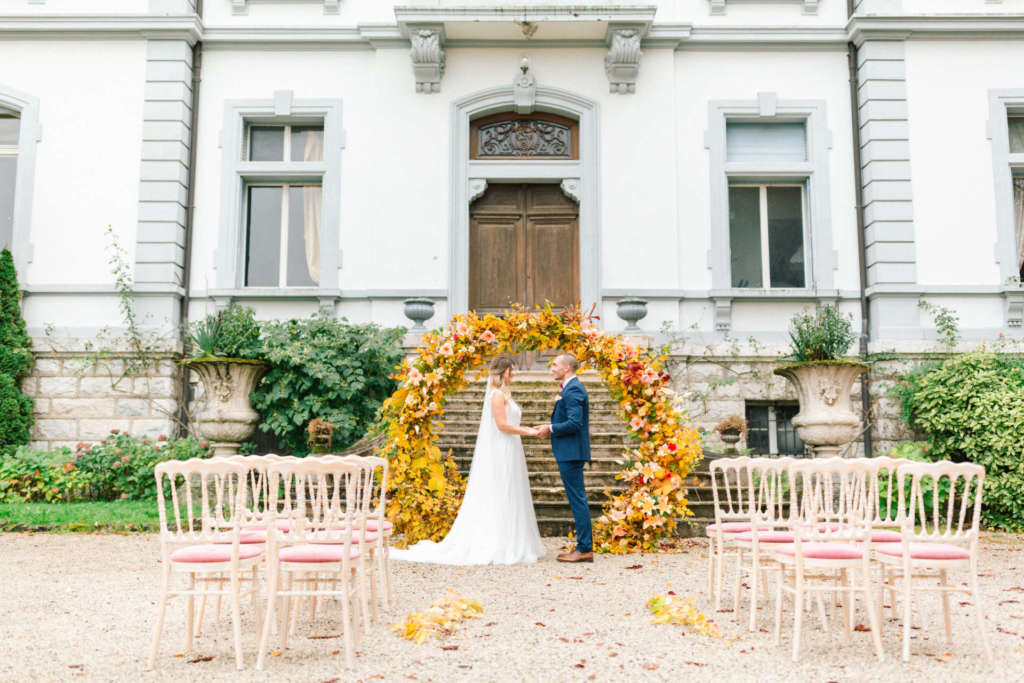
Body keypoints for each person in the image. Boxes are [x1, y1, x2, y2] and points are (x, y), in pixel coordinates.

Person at [390, 355, 546, 565]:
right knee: (501, 490)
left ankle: (511, 539)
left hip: (511, 447)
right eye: (511, 370)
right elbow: (502, 425)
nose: (514, 374)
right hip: (502, 448)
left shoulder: (504, 393)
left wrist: (529, 430)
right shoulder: (497, 395)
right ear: (503, 372)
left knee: (510, 490)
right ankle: (500, 542)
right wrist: (530, 431)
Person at [535, 353, 593, 563]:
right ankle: (583, 546)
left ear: (567, 368)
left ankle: (585, 548)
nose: (551, 368)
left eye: (555, 365)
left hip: (571, 453)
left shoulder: (574, 389)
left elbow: (575, 422)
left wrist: (549, 428)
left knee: (578, 500)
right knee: (577, 498)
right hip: (569, 451)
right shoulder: (570, 388)